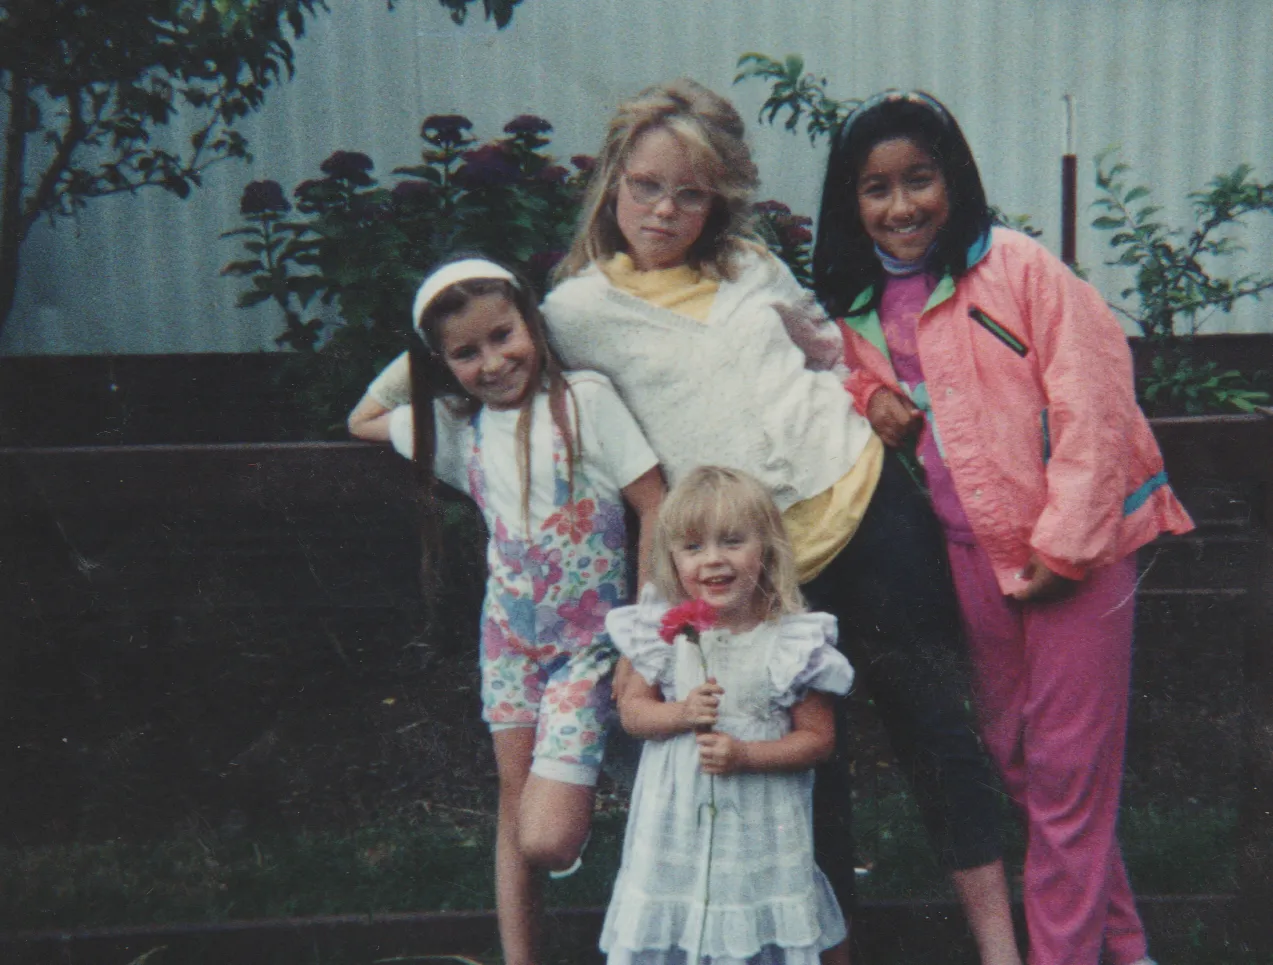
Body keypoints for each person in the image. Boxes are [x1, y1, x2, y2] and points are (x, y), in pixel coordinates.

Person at [545, 79, 1022, 965]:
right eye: (646, 185)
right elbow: (487, 380)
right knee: (803, 763)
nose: (664, 209)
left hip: (861, 504)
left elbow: (835, 348)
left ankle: (1002, 949)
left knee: (930, 725)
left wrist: (877, 395)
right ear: (612, 181)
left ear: (715, 200)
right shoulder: (576, 315)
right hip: (759, 566)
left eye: (690, 193)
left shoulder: (749, 269)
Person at [812, 89, 1194, 965]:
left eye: (920, 179)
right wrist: (869, 394)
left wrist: (1064, 547)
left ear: (955, 179)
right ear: (850, 201)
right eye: (876, 188)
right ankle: (1126, 950)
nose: (901, 206)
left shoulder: (1021, 272)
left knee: (1065, 776)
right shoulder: (862, 300)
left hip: (1072, 557)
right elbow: (840, 369)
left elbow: (1095, 410)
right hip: (969, 558)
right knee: (1021, 765)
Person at [347, 256, 665, 965]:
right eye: (465, 352)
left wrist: (642, 643)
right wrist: (423, 360)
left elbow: (654, 503)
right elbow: (361, 418)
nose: (491, 362)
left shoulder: (585, 399)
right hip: (510, 645)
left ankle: (645, 936)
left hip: (590, 646)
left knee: (547, 835)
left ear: (532, 321)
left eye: (503, 335)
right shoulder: (456, 429)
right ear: (442, 361)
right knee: (512, 800)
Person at [602, 465, 854, 965]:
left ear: (767, 549)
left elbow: (818, 740)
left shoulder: (792, 639)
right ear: (672, 559)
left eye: (733, 542)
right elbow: (633, 713)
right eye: (693, 547)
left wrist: (745, 754)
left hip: (759, 817)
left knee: (761, 914)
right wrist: (681, 714)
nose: (713, 560)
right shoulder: (665, 629)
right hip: (676, 817)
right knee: (683, 912)